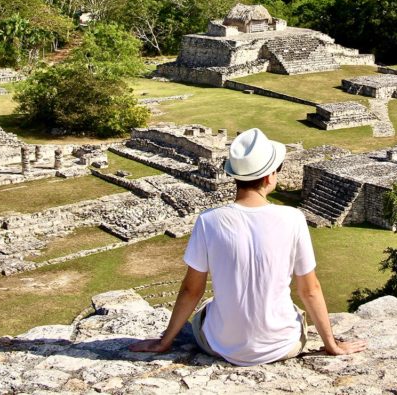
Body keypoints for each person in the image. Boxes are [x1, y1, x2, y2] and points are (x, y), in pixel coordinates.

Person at [130, 127, 367, 365]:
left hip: (219, 346)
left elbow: (192, 290)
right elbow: (310, 289)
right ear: (269, 176)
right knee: (291, 309)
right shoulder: (293, 218)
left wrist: (165, 342)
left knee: (207, 309)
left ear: (235, 176)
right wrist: (331, 345)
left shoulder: (209, 220)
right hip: (283, 346)